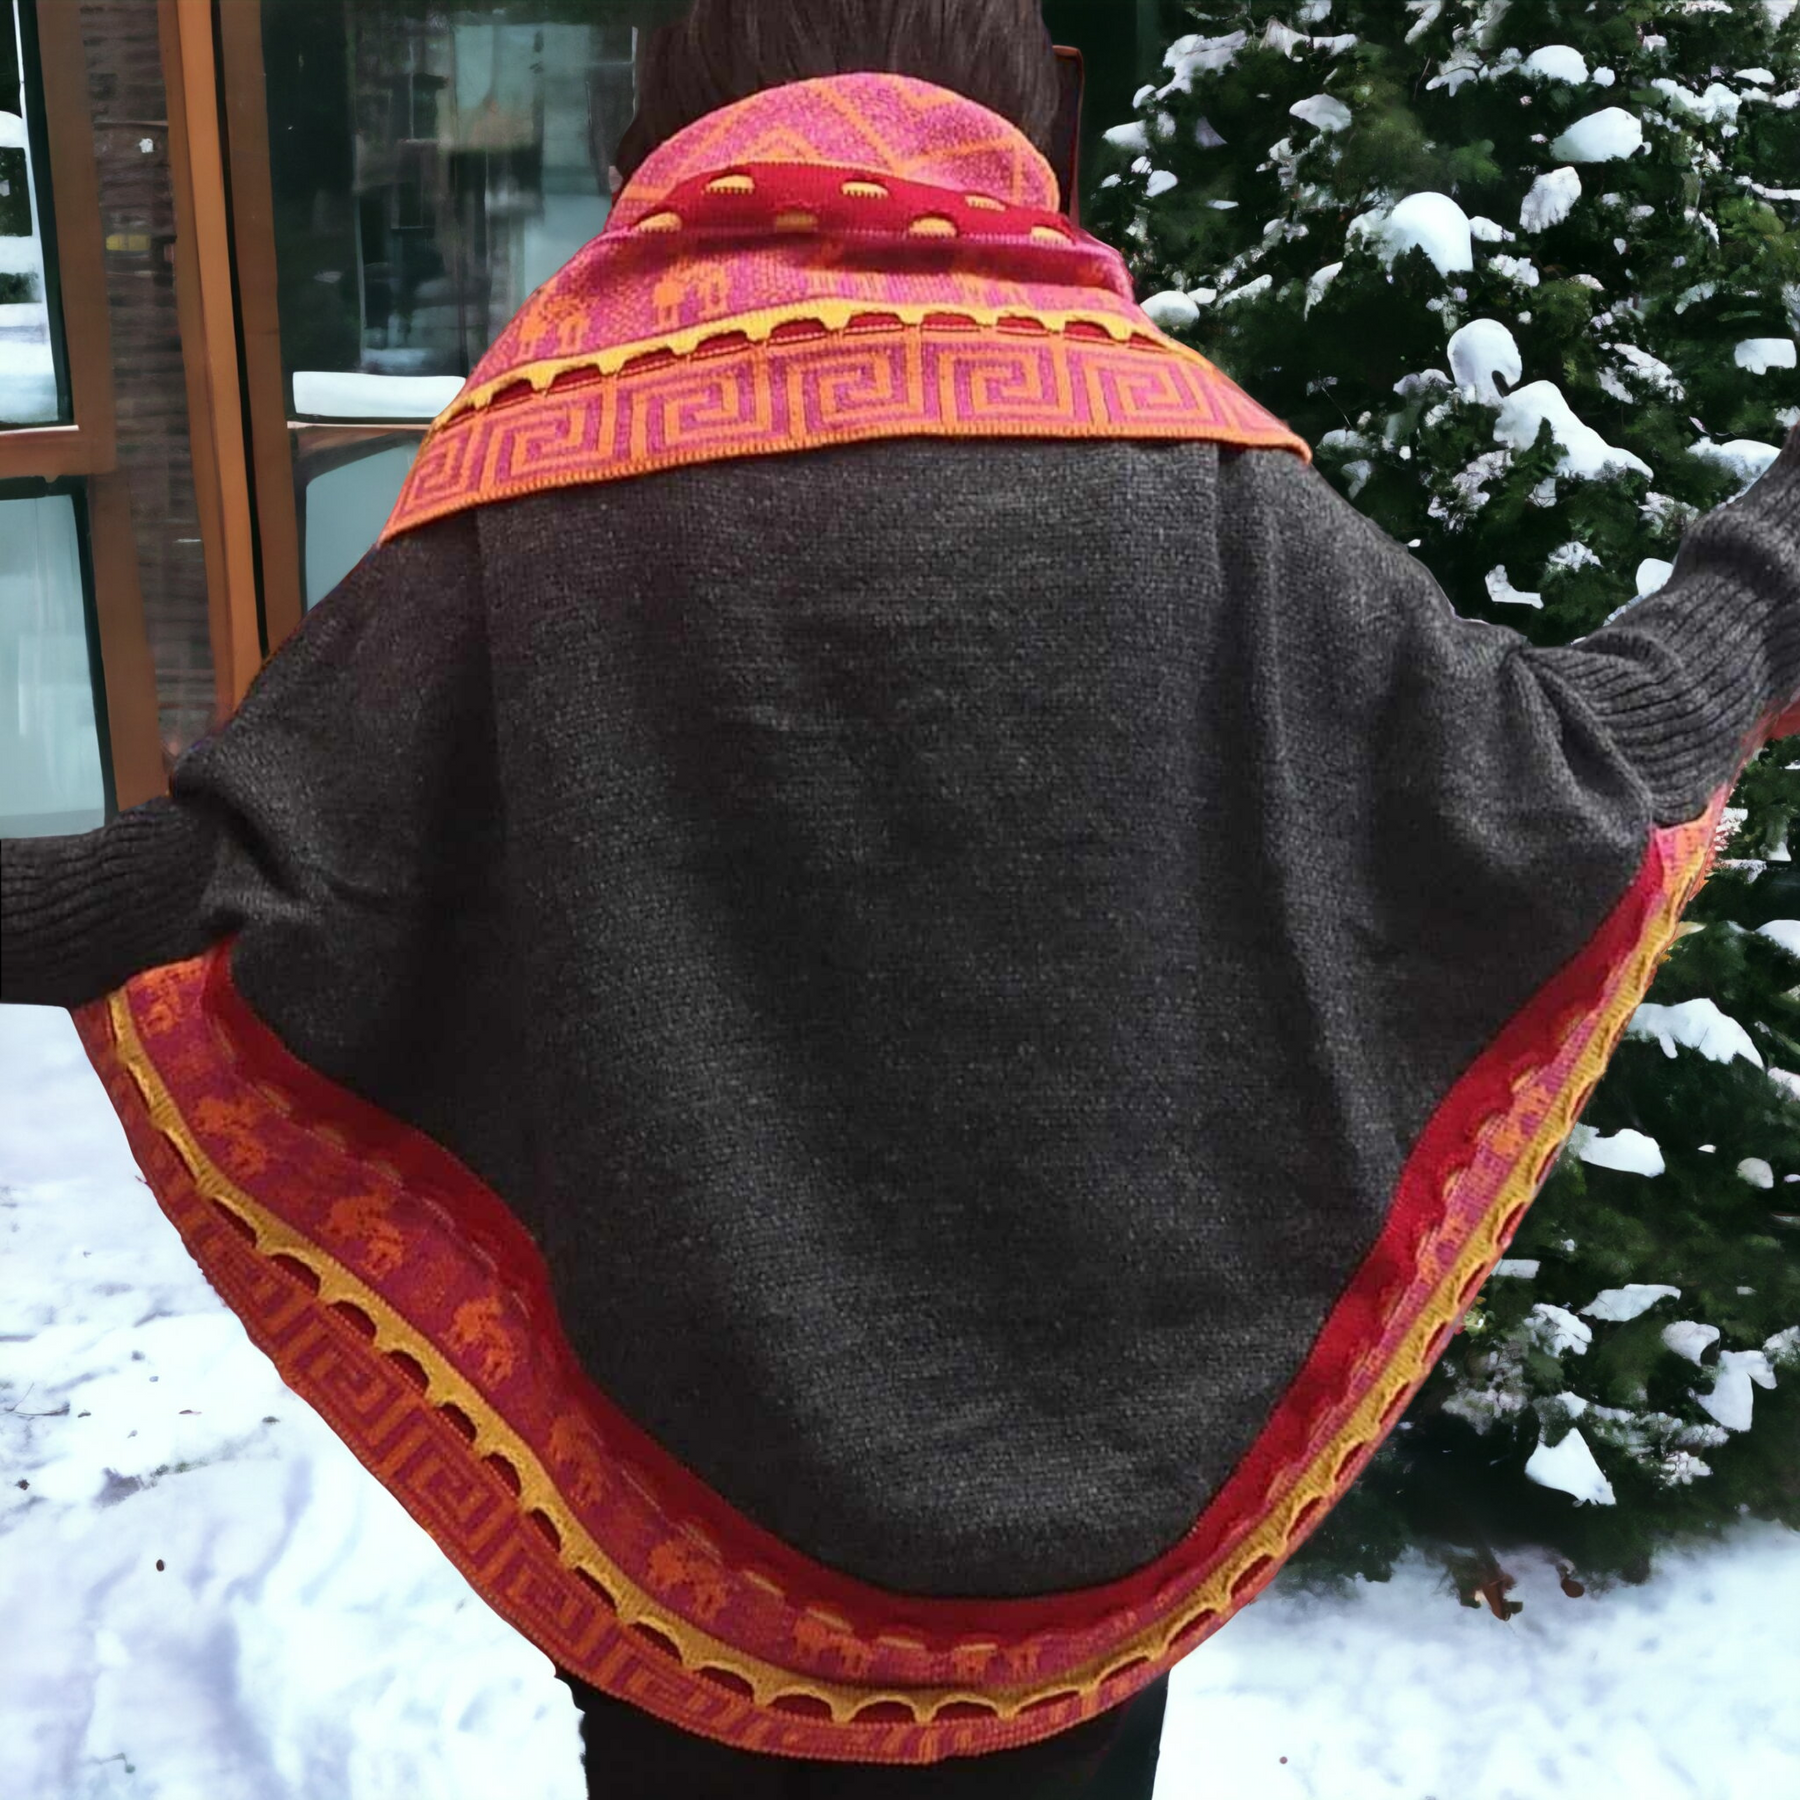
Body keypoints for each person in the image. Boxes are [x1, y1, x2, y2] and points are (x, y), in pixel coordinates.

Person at [4, 2, 1797, 1796]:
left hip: (672, 1555)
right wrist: (1767, 560)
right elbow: (1561, 775)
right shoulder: (1202, 479)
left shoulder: (535, 484)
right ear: (1027, 124)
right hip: (1103, 1581)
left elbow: (197, 898)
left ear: (658, 135)